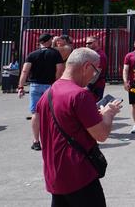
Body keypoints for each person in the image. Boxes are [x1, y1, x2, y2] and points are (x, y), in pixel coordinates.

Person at [36, 47, 121, 206]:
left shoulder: (47, 94)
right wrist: (109, 113)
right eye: (95, 71)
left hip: (55, 175)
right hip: (79, 175)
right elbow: (101, 134)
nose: (94, 77)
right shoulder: (80, 95)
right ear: (87, 67)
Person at [18, 33, 65, 151]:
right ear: (49, 41)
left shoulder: (32, 55)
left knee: (35, 113)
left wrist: (21, 87)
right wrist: (57, 83)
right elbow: (59, 70)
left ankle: (36, 141)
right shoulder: (55, 54)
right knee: (51, 114)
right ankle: (51, 140)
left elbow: (24, 71)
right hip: (50, 86)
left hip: (35, 86)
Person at [85, 36, 107, 100]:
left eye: (89, 43)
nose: (87, 45)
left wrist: (88, 86)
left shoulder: (100, 55)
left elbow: (97, 73)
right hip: (92, 84)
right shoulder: (92, 54)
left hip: (96, 86)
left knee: (96, 106)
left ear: (96, 43)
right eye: (86, 43)